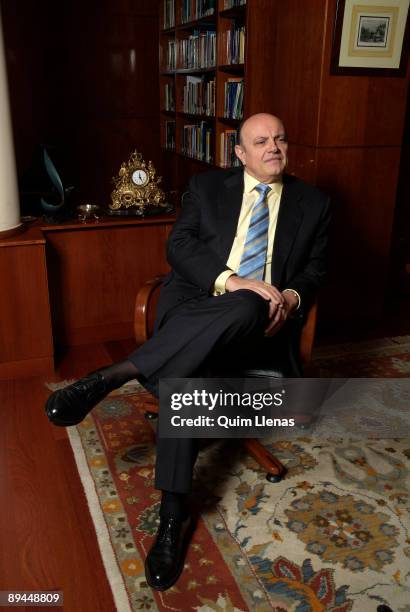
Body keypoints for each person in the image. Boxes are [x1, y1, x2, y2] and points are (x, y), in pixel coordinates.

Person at [45, 113, 331, 591]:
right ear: (240, 153)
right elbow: (177, 246)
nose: (274, 147)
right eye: (261, 141)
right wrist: (232, 280)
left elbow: (315, 271)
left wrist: (292, 297)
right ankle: (174, 515)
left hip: (261, 323)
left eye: (280, 138)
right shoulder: (206, 187)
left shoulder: (314, 203)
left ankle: (113, 378)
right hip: (197, 306)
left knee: (243, 311)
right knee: (200, 362)